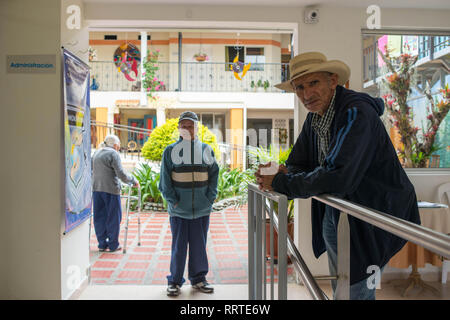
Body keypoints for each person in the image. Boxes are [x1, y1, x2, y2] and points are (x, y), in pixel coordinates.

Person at [255, 52, 421, 300]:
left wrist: (280, 182)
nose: (306, 94)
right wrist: (284, 172)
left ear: (333, 81)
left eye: (314, 83)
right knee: (344, 287)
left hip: (375, 212)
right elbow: (299, 162)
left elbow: (339, 176)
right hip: (339, 212)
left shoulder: (357, 113)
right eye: (299, 87)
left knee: (357, 290)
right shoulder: (314, 118)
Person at [159, 111, 220, 297]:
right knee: (178, 247)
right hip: (179, 210)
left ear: (196, 128)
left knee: (199, 245)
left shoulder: (206, 150)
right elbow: (164, 182)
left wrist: (209, 197)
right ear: (179, 129)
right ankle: (175, 282)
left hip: (201, 209)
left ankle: (199, 279)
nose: (187, 129)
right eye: (183, 126)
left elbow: (214, 174)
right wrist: (174, 201)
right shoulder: (170, 151)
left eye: (190, 126)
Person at [92, 134, 139, 253]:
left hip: (96, 189)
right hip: (111, 190)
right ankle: (113, 245)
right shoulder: (113, 154)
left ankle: (102, 244)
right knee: (114, 217)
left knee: (99, 217)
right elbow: (121, 174)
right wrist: (133, 180)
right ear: (116, 145)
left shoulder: (96, 153)